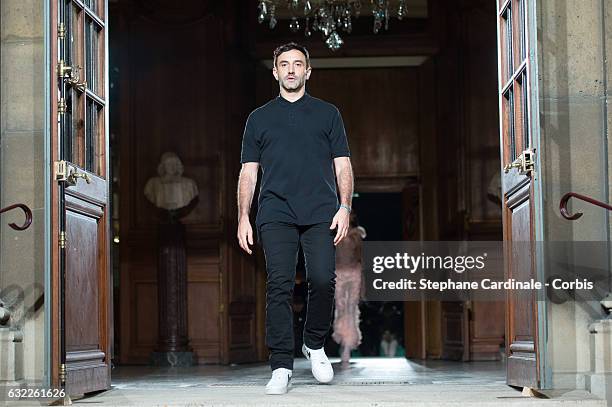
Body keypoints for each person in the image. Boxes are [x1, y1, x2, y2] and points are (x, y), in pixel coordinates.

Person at [236, 42, 354, 395]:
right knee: (279, 285)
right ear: (275, 71)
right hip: (275, 213)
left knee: (322, 280)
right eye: (284, 64)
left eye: (297, 64)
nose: (290, 69)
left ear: (308, 71)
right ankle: (281, 366)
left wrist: (344, 206)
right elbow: (248, 172)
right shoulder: (258, 119)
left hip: (321, 212)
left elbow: (342, 165)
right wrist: (243, 215)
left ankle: (314, 343)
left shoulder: (328, 113)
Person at [332, 213, 366, 368]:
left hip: (354, 273)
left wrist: (364, 285)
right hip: (338, 272)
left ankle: (347, 346)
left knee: (351, 309)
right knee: (340, 308)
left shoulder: (357, 233)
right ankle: (342, 341)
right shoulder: (334, 229)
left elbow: (361, 256)